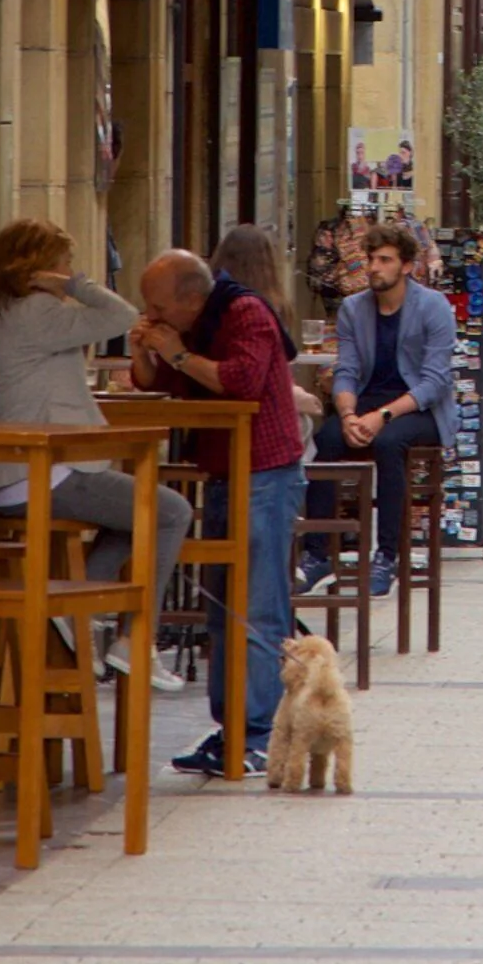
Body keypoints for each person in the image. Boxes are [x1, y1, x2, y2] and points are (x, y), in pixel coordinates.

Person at [0, 219, 191, 690]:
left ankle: (75, 611)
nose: (72, 271)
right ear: (41, 267)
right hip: (40, 473)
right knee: (171, 510)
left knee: (129, 516)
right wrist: (75, 285)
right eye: (66, 262)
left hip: (4, 476)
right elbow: (120, 315)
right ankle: (136, 640)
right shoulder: (36, 310)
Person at [129, 248, 301, 780]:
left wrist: (176, 353)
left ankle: (261, 735)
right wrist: (145, 355)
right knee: (224, 608)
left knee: (258, 605)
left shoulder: (245, 312)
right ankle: (230, 730)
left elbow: (241, 380)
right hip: (225, 472)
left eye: (157, 307)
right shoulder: (194, 325)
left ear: (190, 298)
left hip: (266, 472)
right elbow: (166, 388)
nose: (152, 316)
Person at [320, 227, 463, 596]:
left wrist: (382, 417)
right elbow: (347, 369)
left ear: (407, 267)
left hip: (420, 408)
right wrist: (349, 414)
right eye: (371, 259)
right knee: (327, 439)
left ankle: (387, 555)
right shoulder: (354, 308)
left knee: (389, 444)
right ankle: (317, 550)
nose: (373, 268)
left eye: (384, 260)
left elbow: (434, 382)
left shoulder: (432, 307)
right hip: (367, 402)